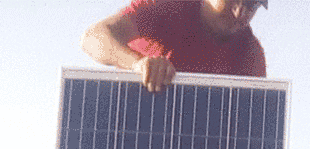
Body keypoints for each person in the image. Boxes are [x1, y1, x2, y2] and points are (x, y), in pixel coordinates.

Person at [81, 0, 268, 94]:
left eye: (251, 5)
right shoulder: (166, 7)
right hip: (131, 134)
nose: (239, 12)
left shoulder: (250, 53)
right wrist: (138, 64)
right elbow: (93, 38)